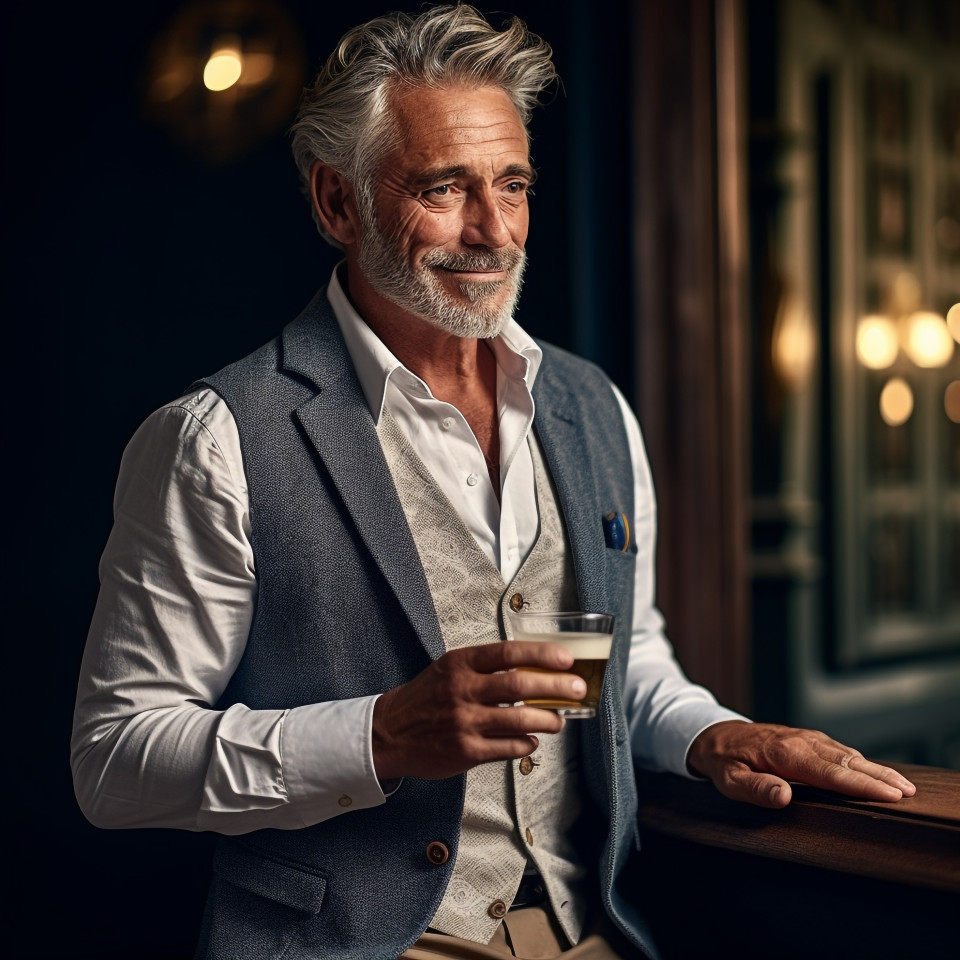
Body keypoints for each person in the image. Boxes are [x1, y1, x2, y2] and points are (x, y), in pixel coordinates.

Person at [70, 6, 916, 960]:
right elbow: (115, 760)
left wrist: (711, 737)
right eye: (445, 187)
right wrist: (381, 734)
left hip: (585, 928)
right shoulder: (215, 439)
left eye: (512, 185)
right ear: (336, 203)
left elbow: (614, 675)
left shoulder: (593, 407)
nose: (493, 231)